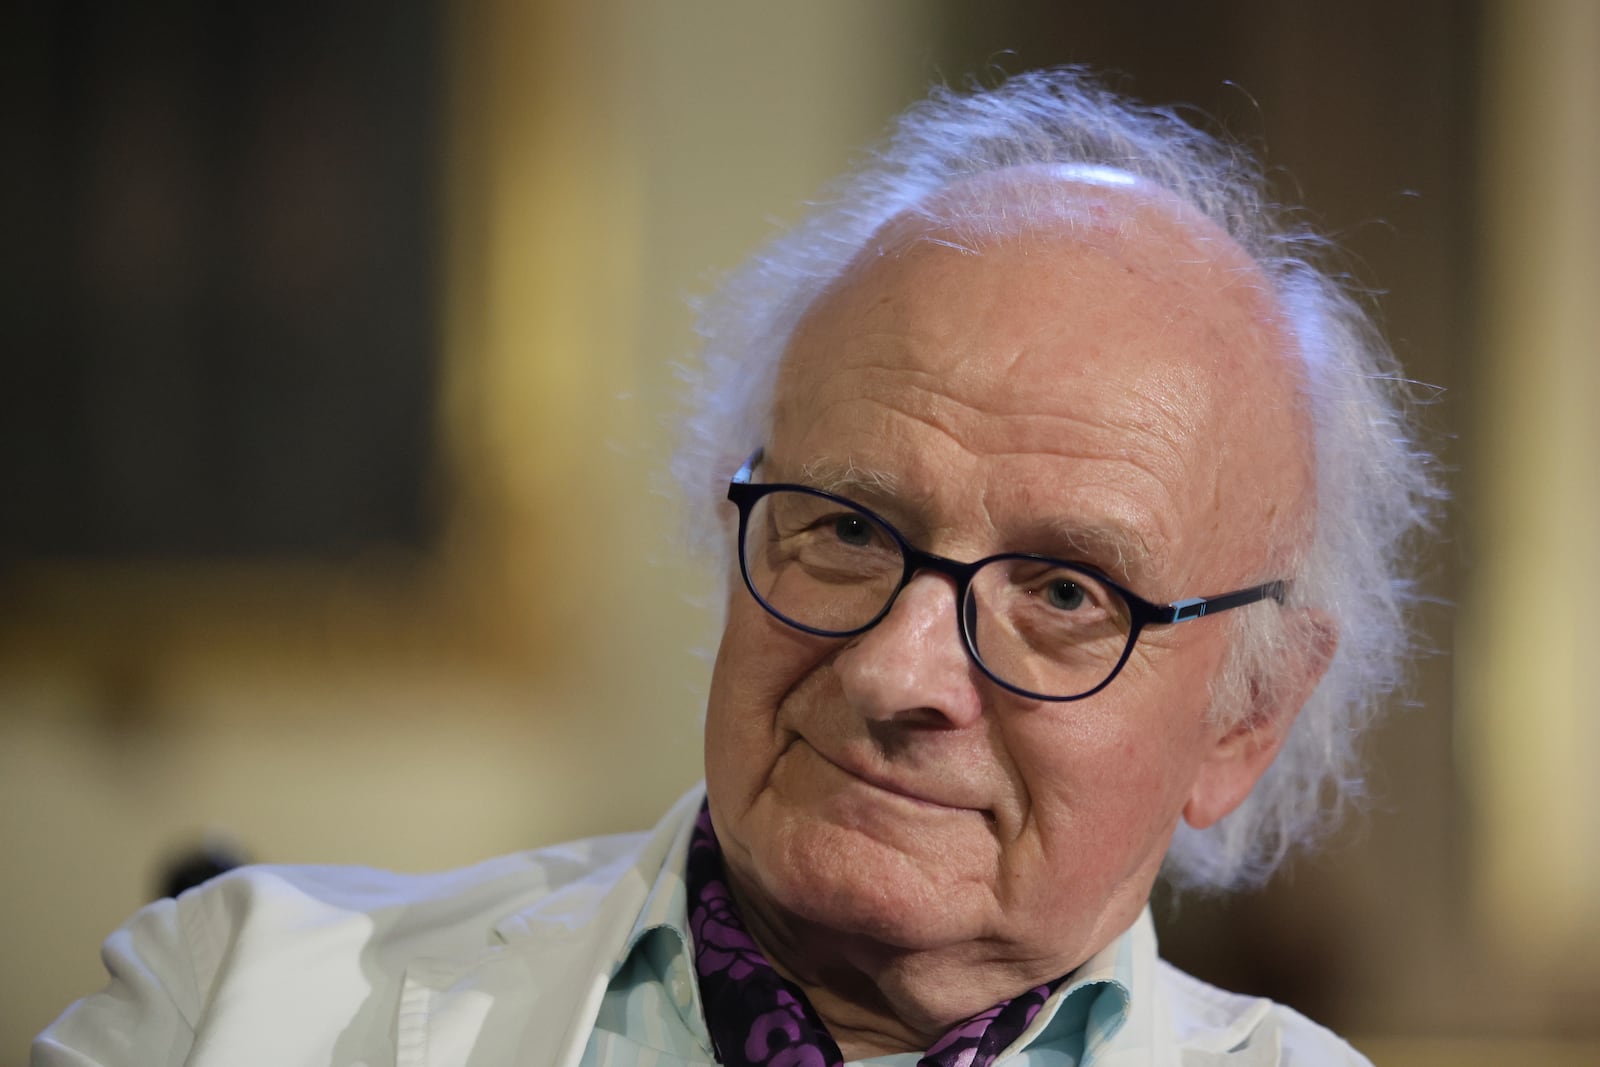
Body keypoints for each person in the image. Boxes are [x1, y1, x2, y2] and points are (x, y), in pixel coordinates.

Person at [35, 68, 1435, 1067]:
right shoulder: (227, 1010)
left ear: (1247, 718)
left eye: (1066, 593)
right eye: (845, 529)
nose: (897, 672)